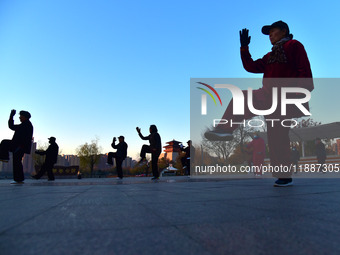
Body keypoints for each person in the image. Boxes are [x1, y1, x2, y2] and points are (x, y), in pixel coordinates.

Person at [204, 21, 313, 187]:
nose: (270, 35)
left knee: (277, 137)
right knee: (241, 98)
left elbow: (304, 70)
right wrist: (244, 48)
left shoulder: (294, 45)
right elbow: (251, 66)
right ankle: (224, 130)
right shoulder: (270, 55)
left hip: (284, 97)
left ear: (284, 31)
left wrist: (299, 94)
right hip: (266, 94)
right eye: (268, 32)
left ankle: (284, 176)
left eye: (273, 31)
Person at [0, 110, 34, 184]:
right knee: (17, 162)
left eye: (21, 116)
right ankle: (19, 179)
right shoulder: (25, 124)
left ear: (25, 117)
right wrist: (11, 116)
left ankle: (4, 157)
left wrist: (11, 116)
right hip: (19, 146)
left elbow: (12, 127)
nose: (19, 118)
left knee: (4, 142)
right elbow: (12, 127)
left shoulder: (26, 125)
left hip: (19, 146)